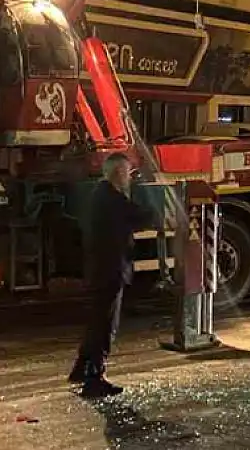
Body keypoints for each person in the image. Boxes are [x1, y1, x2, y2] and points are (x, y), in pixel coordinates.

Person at [70, 153, 149, 399]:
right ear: (117, 174)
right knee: (105, 326)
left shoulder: (99, 195)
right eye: (127, 172)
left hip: (100, 269)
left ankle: (81, 370)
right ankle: (95, 379)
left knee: (97, 320)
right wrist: (144, 193)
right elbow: (144, 217)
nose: (129, 177)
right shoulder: (114, 199)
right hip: (110, 270)